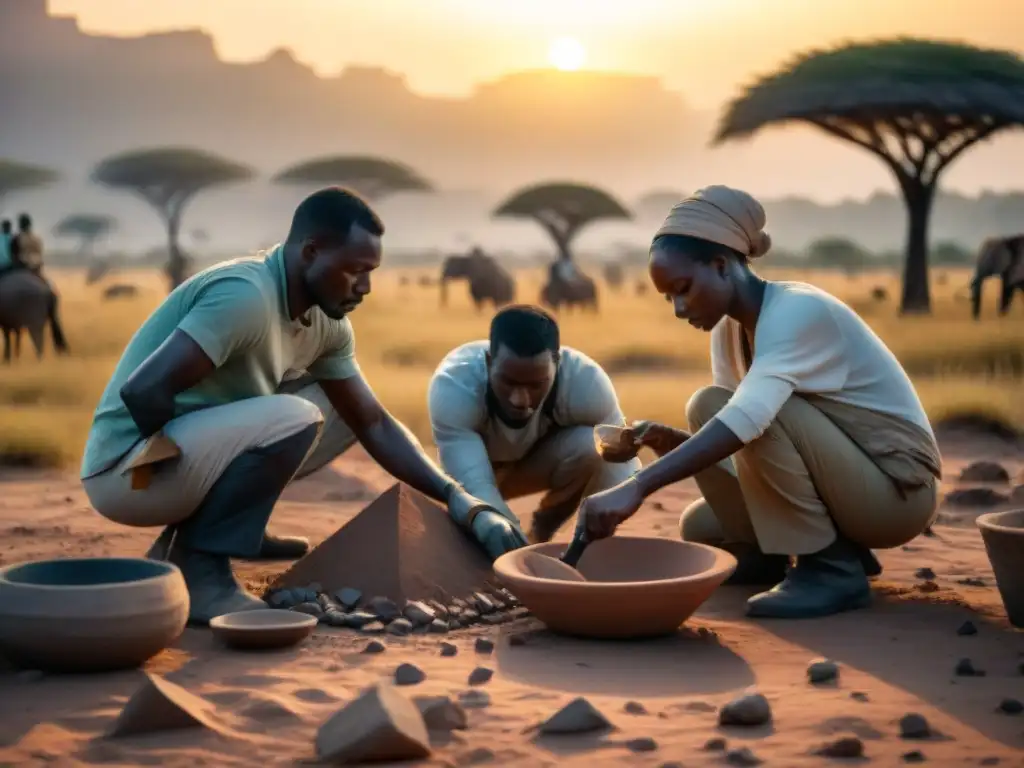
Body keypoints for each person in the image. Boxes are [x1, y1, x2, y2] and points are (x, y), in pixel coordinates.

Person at [80, 187, 506, 625]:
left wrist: (461, 500)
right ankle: (201, 572)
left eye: (372, 271)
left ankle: (206, 535)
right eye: (354, 270)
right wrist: (186, 475)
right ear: (310, 251)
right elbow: (144, 391)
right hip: (126, 473)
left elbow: (374, 423)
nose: (366, 287)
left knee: (340, 407)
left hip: (183, 465)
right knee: (295, 416)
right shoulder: (246, 297)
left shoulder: (326, 323)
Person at [575, 185, 941, 620]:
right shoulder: (728, 332)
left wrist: (636, 485)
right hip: (846, 490)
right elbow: (750, 449)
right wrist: (669, 441)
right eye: (668, 297)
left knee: (748, 409)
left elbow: (751, 420)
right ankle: (788, 554)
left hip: (896, 495)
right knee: (703, 519)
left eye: (683, 288)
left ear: (722, 265)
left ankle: (830, 568)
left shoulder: (797, 311)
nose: (677, 308)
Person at [428, 304, 641, 545]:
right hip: (471, 471)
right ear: (488, 362)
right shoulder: (455, 387)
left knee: (599, 448)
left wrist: (600, 521)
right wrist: (503, 531)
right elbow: (474, 483)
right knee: (480, 526)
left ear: (557, 363)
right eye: (508, 382)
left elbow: (623, 464)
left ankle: (549, 533)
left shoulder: (587, 383)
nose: (520, 400)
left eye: (536, 385)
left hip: (534, 465)